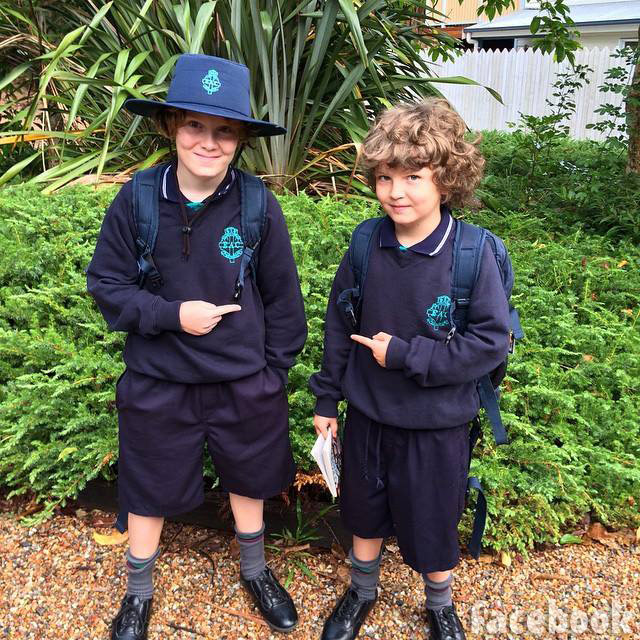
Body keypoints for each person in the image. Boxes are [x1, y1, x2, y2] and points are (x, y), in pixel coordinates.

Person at [87, 54, 307, 640]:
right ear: (170, 128)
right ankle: (138, 593)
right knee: (146, 481)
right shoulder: (136, 201)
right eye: (194, 126)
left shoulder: (258, 205)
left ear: (240, 140)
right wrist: (170, 316)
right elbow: (106, 286)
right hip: (159, 378)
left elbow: (284, 299)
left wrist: (271, 374)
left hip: (242, 380)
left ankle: (256, 571)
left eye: (225, 131)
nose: (208, 142)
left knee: (249, 476)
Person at [309, 99, 511, 640]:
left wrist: (405, 354)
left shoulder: (470, 254)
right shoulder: (365, 243)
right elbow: (338, 325)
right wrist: (327, 400)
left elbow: (490, 342)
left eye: (413, 177)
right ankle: (362, 589)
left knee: (433, 520)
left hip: (437, 423)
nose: (396, 191)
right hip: (370, 415)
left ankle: (440, 603)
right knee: (365, 510)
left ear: (446, 181)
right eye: (385, 177)